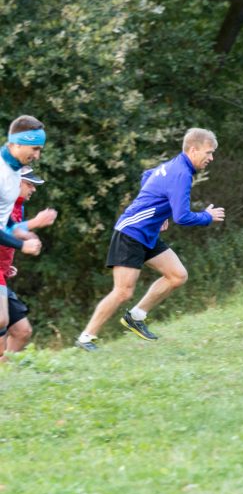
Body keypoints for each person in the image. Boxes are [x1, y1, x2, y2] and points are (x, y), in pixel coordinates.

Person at [75, 128, 226, 351]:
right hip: (131, 233)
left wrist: (157, 211)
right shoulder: (181, 174)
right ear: (193, 150)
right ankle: (86, 338)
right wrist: (207, 216)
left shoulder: (176, 165)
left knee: (177, 276)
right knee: (123, 291)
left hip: (148, 232)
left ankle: (136, 317)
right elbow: (182, 217)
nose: (211, 158)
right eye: (208, 152)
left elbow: (147, 175)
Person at [0, 116, 45, 361]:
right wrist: (21, 243)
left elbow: (4, 223)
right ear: (17, 143)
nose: (37, 155)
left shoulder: (11, 174)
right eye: (35, 149)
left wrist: (22, 230)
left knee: (14, 326)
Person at [0, 167, 57, 353]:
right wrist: (34, 225)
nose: (33, 189)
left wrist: (7, 265)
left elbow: (9, 233)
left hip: (2, 273)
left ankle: (5, 375)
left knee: (22, 331)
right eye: (29, 184)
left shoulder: (19, 207)